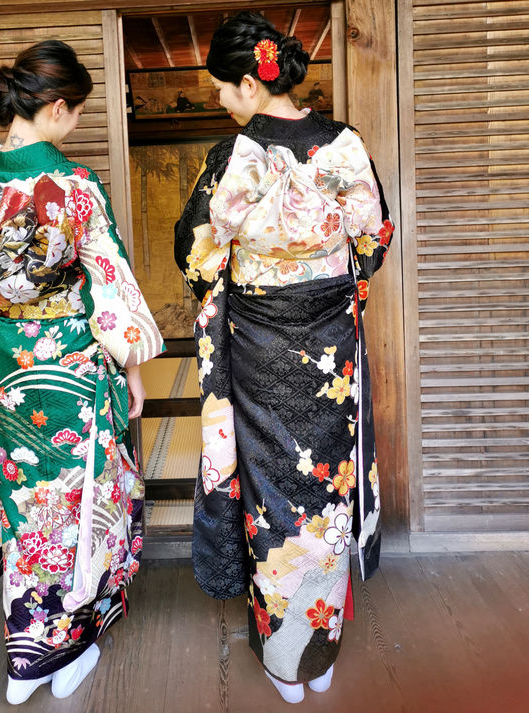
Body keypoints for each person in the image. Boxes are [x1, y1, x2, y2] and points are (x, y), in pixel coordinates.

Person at [0, 40, 164, 704]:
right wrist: (135, 372)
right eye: (79, 112)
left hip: (3, 362)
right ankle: (69, 647)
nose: (78, 125)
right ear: (57, 107)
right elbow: (110, 283)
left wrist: (3, 294)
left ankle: (26, 652)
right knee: (80, 495)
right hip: (70, 364)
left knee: (27, 500)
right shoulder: (73, 185)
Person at [175, 12, 393, 704]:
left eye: (221, 89)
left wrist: (246, 277)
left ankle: (283, 653)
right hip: (330, 344)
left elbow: (197, 252)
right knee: (325, 490)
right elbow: (374, 239)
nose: (218, 101)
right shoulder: (345, 145)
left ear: (249, 81)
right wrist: (326, 285)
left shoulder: (236, 156)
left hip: (260, 348)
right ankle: (318, 651)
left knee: (275, 495)